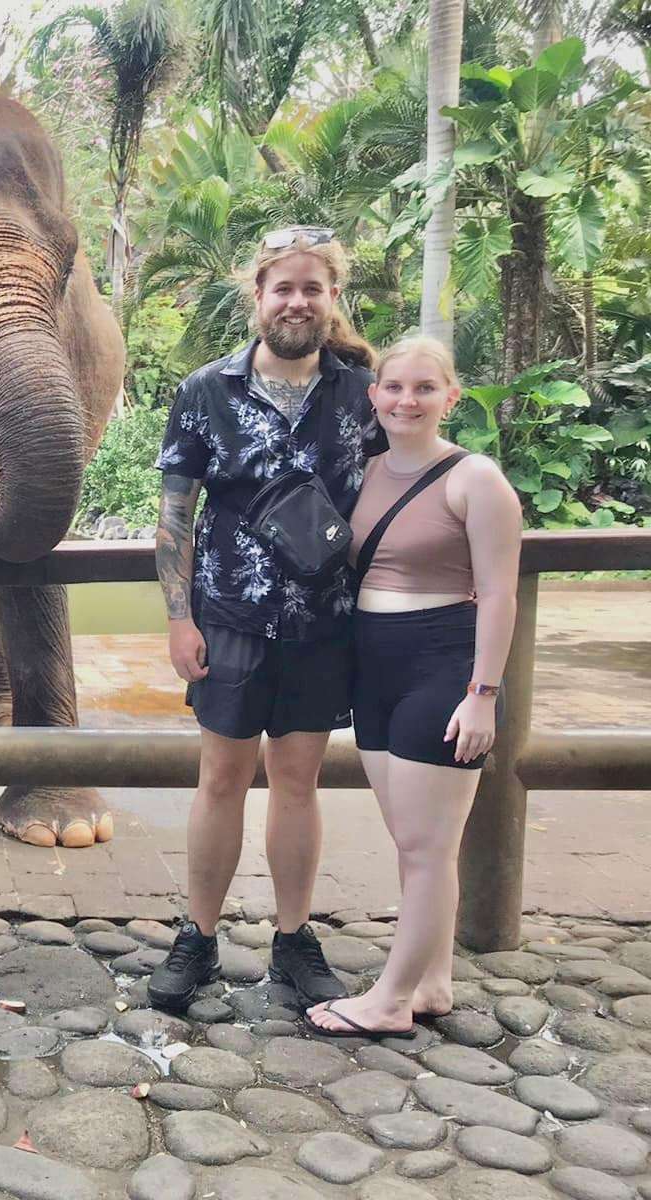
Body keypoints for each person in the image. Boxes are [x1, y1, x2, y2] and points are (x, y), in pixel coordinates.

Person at [148, 228, 386, 1012]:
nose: (296, 302)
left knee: (297, 781)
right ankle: (198, 936)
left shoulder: (362, 392)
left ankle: (293, 938)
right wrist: (179, 619)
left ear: (333, 298)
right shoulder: (206, 391)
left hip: (324, 622)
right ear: (257, 296)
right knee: (220, 778)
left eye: (312, 288)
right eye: (283, 288)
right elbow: (175, 515)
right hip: (229, 616)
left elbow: (394, 492)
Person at [306, 337, 521, 1037]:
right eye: (394, 387)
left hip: (442, 667)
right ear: (374, 396)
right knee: (414, 843)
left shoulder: (475, 479)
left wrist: (482, 694)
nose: (407, 401)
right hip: (374, 667)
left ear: (451, 397)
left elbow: (499, 594)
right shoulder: (364, 472)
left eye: (425, 388)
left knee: (428, 847)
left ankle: (390, 1000)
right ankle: (432, 981)